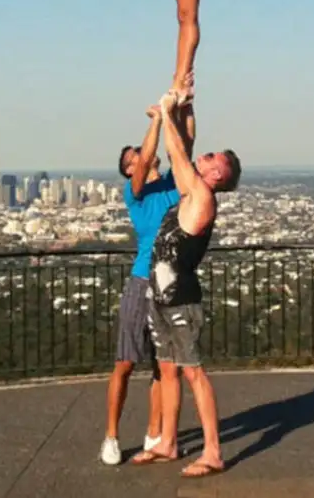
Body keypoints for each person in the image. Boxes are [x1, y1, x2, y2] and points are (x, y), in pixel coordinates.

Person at [131, 88, 241, 479]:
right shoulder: (192, 191)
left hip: (181, 302)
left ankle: (213, 451)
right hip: (161, 298)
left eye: (212, 159)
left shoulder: (202, 197)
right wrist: (183, 108)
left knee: (193, 371)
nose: (205, 156)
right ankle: (168, 441)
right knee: (168, 369)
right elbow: (183, 148)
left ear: (216, 176)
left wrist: (165, 110)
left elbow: (178, 155)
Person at [99, 84, 196, 466]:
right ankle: (111, 435)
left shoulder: (173, 186)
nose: (138, 156)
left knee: (162, 365)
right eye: (132, 156)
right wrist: (158, 119)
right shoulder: (134, 192)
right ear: (128, 168)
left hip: (168, 284)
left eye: (137, 152)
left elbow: (185, 144)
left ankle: (154, 432)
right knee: (125, 363)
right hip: (141, 282)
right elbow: (146, 161)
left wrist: (184, 106)